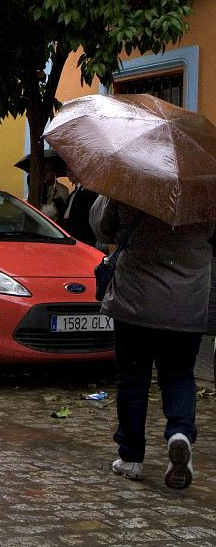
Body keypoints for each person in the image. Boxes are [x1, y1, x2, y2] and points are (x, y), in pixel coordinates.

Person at [90, 195, 215, 489]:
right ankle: (180, 433)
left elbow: (101, 227)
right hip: (187, 306)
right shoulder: (205, 189)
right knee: (179, 375)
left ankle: (131, 457)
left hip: (135, 304)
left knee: (133, 380)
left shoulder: (131, 183)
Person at [57, 171, 99, 247]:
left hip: (82, 238)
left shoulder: (88, 192)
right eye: (67, 171)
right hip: (71, 235)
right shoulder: (73, 193)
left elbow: (87, 215)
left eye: (71, 170)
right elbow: (66, 213)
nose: (68, 174)